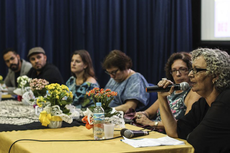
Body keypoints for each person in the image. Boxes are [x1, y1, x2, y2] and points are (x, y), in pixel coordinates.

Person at [157, 48, 230, 152]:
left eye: (197, 70)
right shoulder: (203, 103)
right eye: (191, 69)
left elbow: (196, 141)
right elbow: (175, 132)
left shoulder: (226, 100)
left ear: (215, 75)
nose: (191, 74)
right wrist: (162, 97)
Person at [135, 52, 201, 131]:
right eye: (174, 70)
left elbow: (186, 125)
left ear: (191, 71)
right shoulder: (170, 90)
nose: (178, 74)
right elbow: (149, 112)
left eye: (182, 69)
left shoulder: (194, 92)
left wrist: (152, 123)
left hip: (172, 136)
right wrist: (142, 115)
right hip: (155, 132)